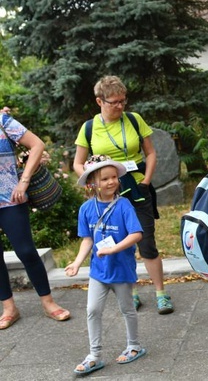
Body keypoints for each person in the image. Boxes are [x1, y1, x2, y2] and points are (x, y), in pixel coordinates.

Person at [73, 75, 173, 314]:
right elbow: (78, 164)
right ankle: (133, 293)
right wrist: (91, 182)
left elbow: (150, 153)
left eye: (123, 101)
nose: (120, 106)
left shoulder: (134, 120)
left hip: (137, 189)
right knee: (119, 243)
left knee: (146, 241)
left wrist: (146, 180)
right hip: (109, 196)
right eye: (114, 102)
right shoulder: (89, 128)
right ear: (100, 101)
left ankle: (161, 293)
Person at [66, 155, 146, 375]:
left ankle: (134, 345)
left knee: (127, 309)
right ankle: (95, 355)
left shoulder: (124, 205)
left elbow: (137, 234)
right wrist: (76, 262)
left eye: (114, 177)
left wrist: (114, 248)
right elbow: (87, 240)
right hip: (98, 271)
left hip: (121, 268)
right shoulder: (86, 209)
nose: (111, 182)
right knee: (92, 310)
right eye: (105, 179)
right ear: (93, 183)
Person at [0, 113, 70, 330]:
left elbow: (37, 144)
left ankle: (48, 303)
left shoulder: (2, 121)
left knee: (27, 251)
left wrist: (24, 181)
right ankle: (9, 308)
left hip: (11, 199)